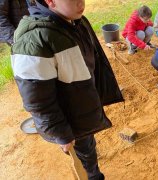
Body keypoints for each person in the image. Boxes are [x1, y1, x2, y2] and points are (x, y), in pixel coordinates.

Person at [11, 0, 124, 179]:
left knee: (87, 143)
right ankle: (94, 175)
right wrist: (61, 134)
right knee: (85, 152)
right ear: (50, 1)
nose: (81, 3)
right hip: (69, 117)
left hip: (81, 106)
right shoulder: (34, 40)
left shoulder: (76, 21)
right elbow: (38, 102)